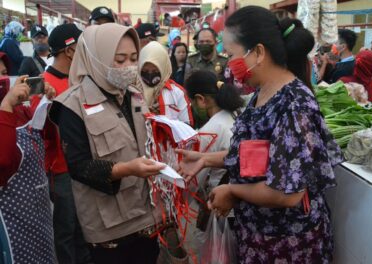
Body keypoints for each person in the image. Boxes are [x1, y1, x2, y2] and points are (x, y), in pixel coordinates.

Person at [178, 7, 343, 263]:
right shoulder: (262, 93)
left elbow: (288, 193)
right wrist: (205, 159)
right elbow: (255, 155)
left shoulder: (294, 104)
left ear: (258, 52)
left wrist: (232, 190)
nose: (229, 65)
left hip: (287, 244)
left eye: (232, 54)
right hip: (257, 236)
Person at [48, 24, 167, 264]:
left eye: (134, 59)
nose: (128, 67)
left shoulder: (133, 94)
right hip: (110, 226)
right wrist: (128, 169)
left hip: (147, 214)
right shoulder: (71, 106)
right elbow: (79, 167)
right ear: (96, 57)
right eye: (119, 59)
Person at [43, 23, 92, 264]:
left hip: (84, 166)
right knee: (66, 230)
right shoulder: (43, 85)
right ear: (70, 51)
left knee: (85, 228)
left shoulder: (81, 80)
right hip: (61, 170)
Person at [183, 70, 244, 259]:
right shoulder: (236, 114)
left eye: (191, 102)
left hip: (224, 210)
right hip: (243, 206)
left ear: (201, 100)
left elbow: (194, 182)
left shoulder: (210, 130)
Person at [0, 64, 57, 263]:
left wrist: (46, 103)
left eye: (5, 73)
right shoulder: (6, 111)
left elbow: (47, 136)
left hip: (39, 218)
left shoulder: (19, 112)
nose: (3, 80)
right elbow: (3, 161)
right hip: (13, 225)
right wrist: (6, 105)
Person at [139, 41, 193, 126]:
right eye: (145, 71)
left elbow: (187, 127)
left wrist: (164, 119)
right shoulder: (133, 93)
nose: (150, 74)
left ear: (164, 68)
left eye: (155, 71)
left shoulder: (177, 93)